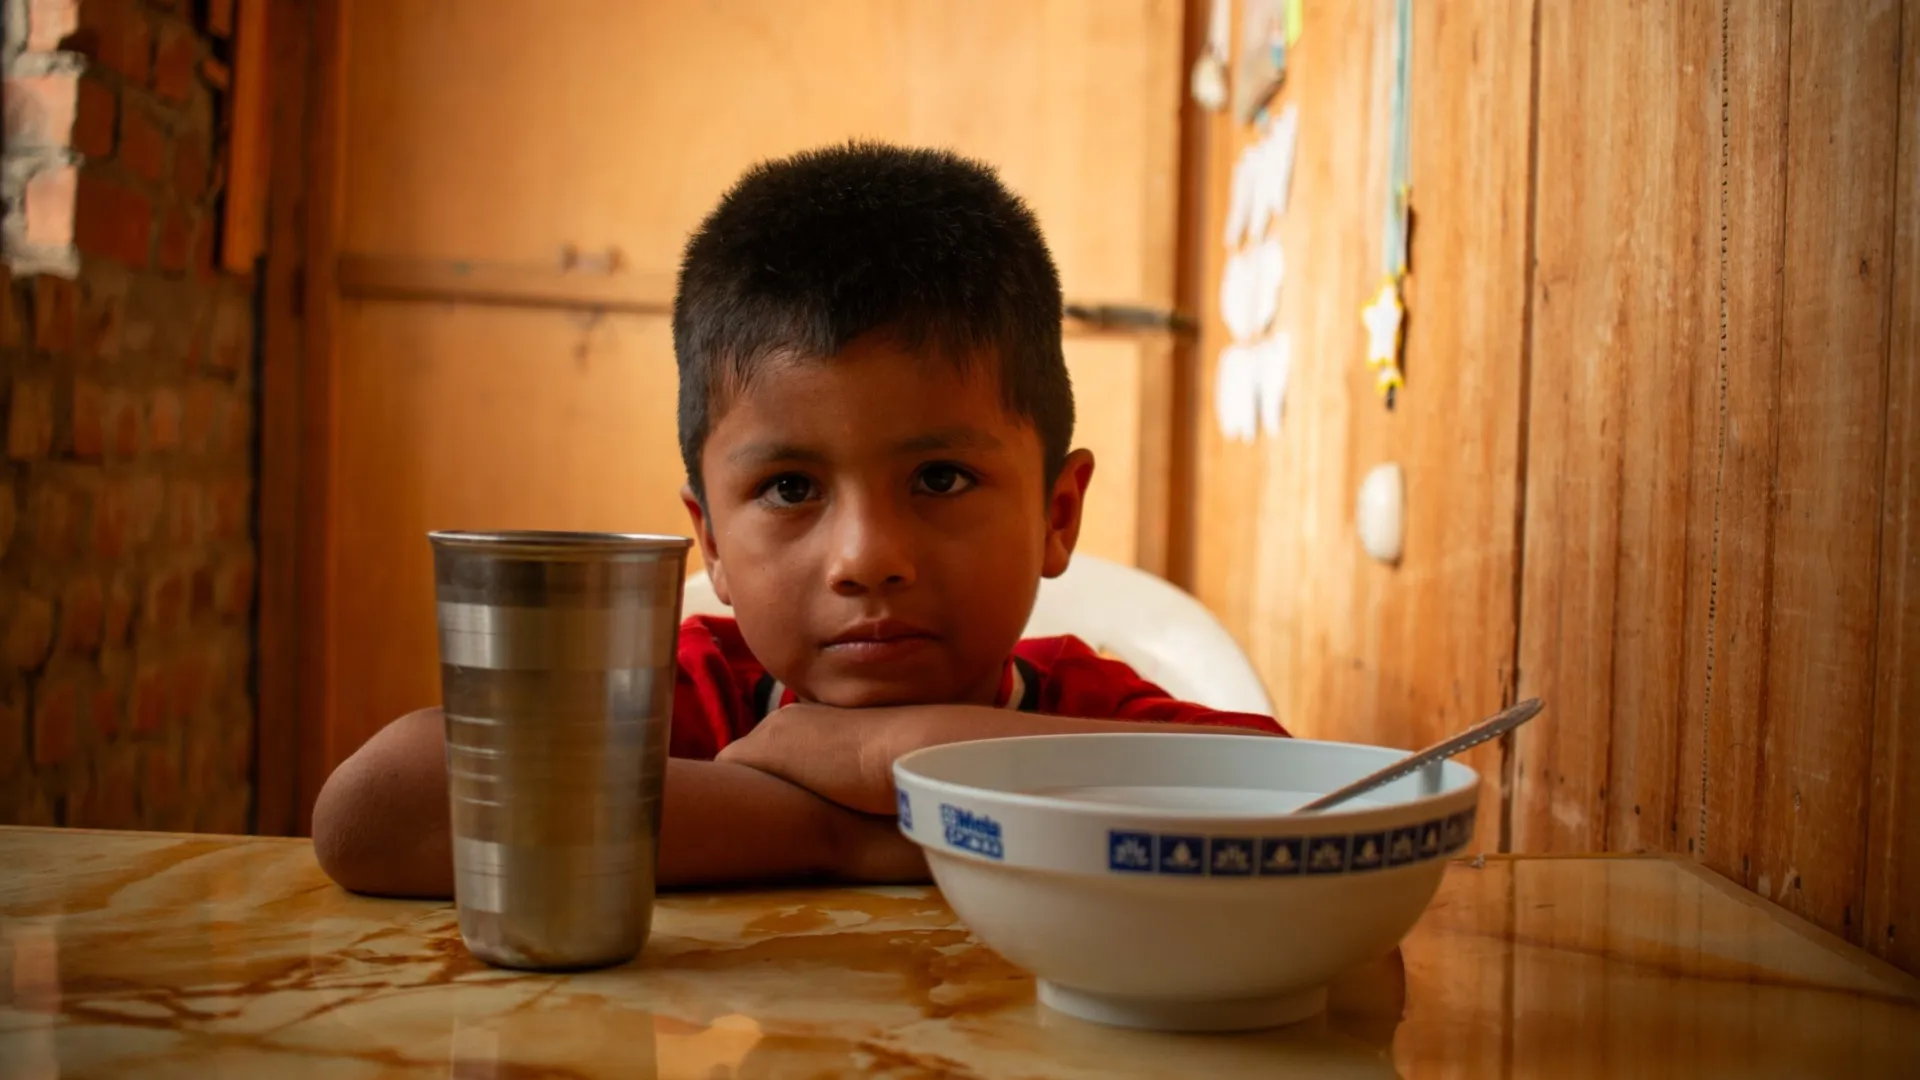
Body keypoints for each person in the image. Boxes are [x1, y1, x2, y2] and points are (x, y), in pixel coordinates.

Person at [312, 142, 1285, 898]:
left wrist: (884, 757)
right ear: (712, 545)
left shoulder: (1091, 703)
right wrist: (832, 832)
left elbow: (1300, 807)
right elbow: (377, 810)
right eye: (789, 488)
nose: (866, 558)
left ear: (1056, 514)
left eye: (941, 477)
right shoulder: (697, 696)